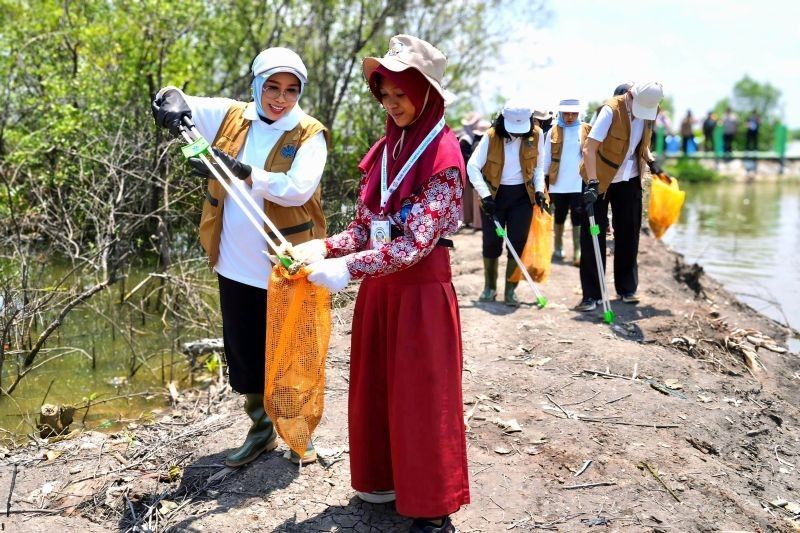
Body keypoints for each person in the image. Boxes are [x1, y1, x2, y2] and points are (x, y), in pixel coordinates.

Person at [289, 35, 469, 533]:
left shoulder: (444, 156)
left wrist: (347, 269)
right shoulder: (385, 151)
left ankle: (433, 505)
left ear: (426, 93)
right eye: (384, 95)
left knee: (421, 395)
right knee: (378, 389)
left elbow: (415, 243)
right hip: (380, 293)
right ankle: (385, 480)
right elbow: (367, 228)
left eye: (401, 94)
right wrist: (323, 247)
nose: (392, 105)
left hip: (420, 296)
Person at [151, 47, 329, 467]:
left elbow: (298, 189)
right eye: (272, 87)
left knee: (291, 350)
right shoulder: (233, 115)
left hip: (284, 263)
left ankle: (298, 432)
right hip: (233, 261)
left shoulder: (309, 133)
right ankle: (261, 430)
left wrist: (243, 172)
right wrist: (171, 101)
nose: (280, 98)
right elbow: (179, 98)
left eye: (290, 90)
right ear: (256, 84)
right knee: (245, 351)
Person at [577, 81, 663, 311]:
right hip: (601, 178)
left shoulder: (647, 113)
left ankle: (627, 289)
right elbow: (589, 148)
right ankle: (592, 294)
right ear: (630, 96)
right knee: (593, 236)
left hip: (630, 179)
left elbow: (640, 147)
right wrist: (593, 182)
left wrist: (654, 165)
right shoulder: (610, 110)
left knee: (629, 233)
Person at [467, 101, 547, 307]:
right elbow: (473, 167)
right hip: (494, 196)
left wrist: (539, 189)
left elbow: (538, 167)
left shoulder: (537, 135)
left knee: (517, 242)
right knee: (492, 242)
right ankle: (490, 288)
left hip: (522, 197)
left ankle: (511, 290)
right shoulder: (491, 137)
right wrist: (484, 195)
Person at [542, 98, 591, 266]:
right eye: (566, 113)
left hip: (578, 181)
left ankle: (577, 251)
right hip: (558, 182)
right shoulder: (553, 131)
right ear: (561, 113)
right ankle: (558, 246)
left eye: (573, 113)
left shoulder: (585, 129)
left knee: (578, 214)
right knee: (560, 214)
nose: (570, 117)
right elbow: (546, 157)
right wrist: (543, 181)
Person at [458, 112, 482, 228]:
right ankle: (468, 219)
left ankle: (470, 219)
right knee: (468, 198)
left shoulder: (471, 138)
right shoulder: (466, 139)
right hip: (467, 173)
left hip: (469, 172)